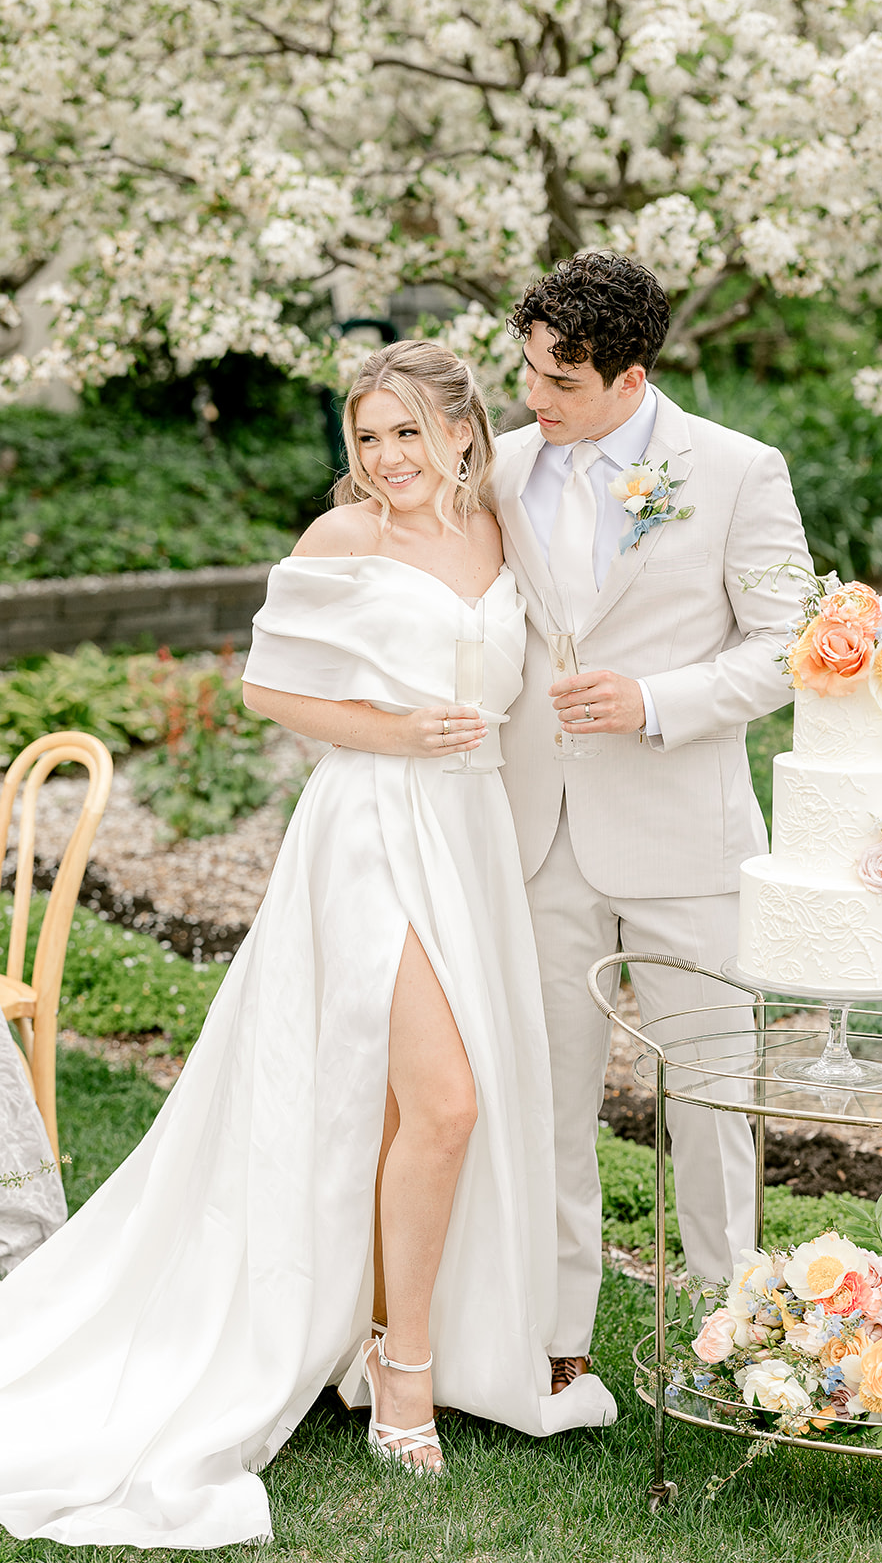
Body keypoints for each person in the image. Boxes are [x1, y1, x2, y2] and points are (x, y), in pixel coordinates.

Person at [0, 340, 614, 1552]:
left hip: (473, 828)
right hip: (371, 826)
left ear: (459, 429)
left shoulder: (504, 528)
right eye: (365, 438)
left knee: (408, 1113)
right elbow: (267, 691)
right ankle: (401, 1370)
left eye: (402, 434)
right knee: (443, 1105)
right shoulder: (343, 542)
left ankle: (392, 1327)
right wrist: (390, 727)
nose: (383, 459)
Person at [493, 252, 813, 1391]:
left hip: (686, 839)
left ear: (630, 379)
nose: (535, 398)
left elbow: (788, 645)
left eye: (561, 381)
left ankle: (742, 1342)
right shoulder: (503, 467)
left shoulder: (733, 470)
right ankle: (546, 1335)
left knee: (715, 1098)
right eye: (527, 368)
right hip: (539, 835)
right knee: (547, 1096)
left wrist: (652, 703)